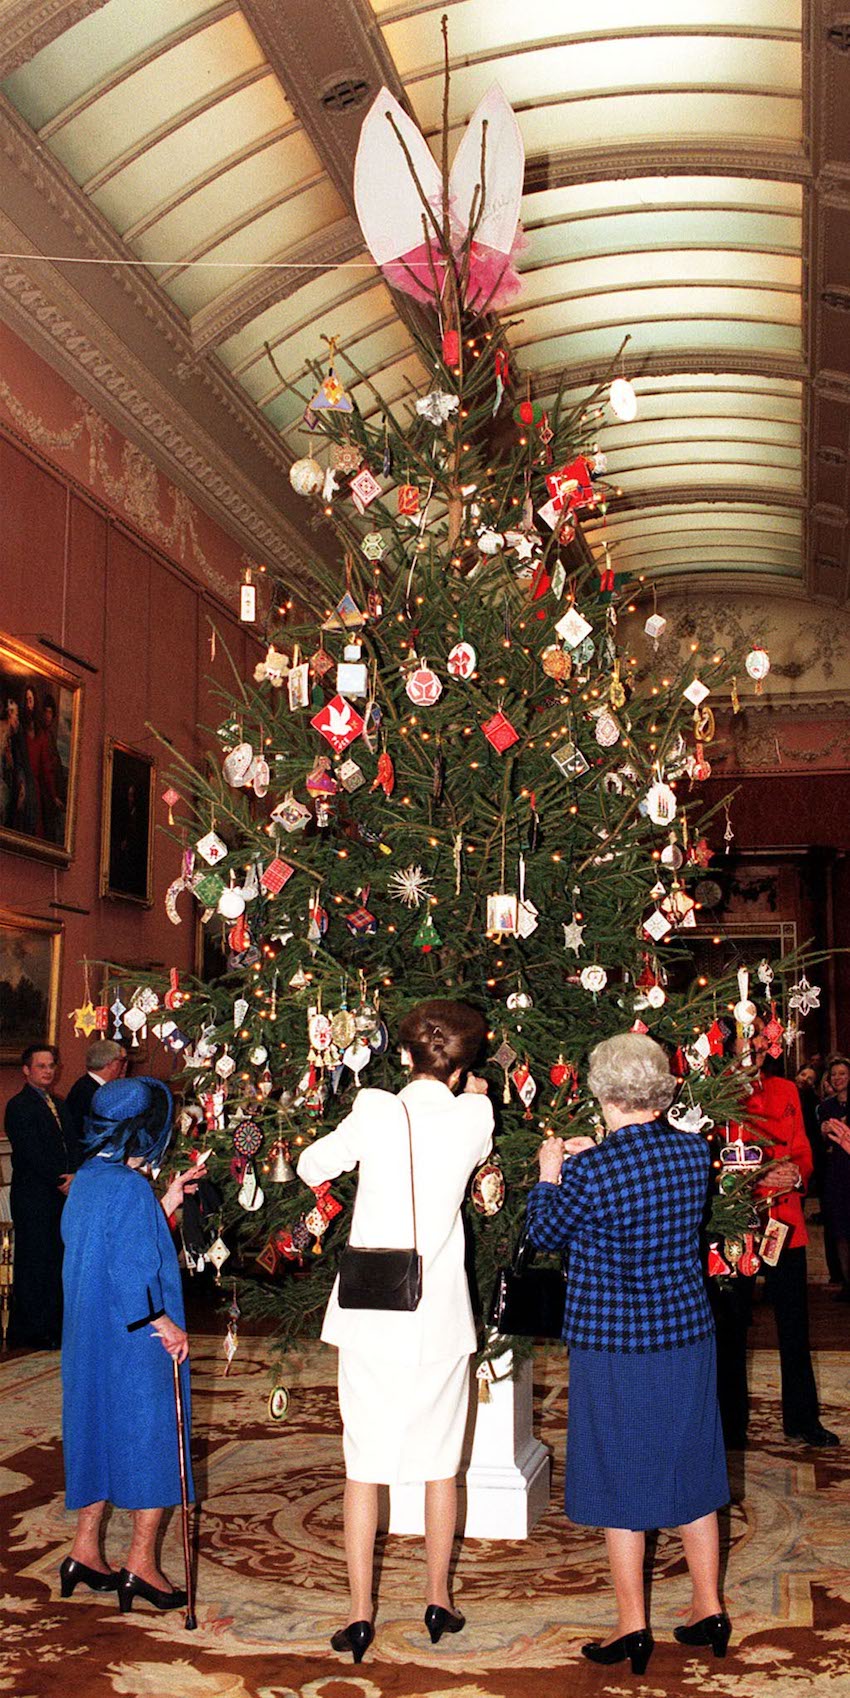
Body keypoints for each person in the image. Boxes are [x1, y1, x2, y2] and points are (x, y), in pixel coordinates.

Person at [525, 1032, 730, 1677]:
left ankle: (631, 1625)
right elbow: (636, 1182)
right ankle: (709, 1607)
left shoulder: (590, 1172)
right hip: (686, 1334)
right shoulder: (695, 1154)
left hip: (615, 1344)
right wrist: (593, 1159)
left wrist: (549, 1174)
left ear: (603, 1092)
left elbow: (544, 1232)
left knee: (619, 1476)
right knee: (691, 1464)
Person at [296, 999, 493, 1663]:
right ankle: (439, 1597)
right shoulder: (477, 1115)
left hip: (370, 1313)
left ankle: (358, 1614)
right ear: (464, 1064)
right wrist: (472, 1090)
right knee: (443, 1467)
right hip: (438, 1318)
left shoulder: (376, 1109)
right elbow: (473, 1118)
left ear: (404, 1054)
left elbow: (309, 1168)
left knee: (364, 1465)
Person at [59, 1076, 202, 1611]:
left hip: (90, 1336)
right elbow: (133, 1271)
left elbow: (109, 1241)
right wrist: (164, 1324)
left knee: (94, 1430)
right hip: (136, 1336)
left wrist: (162, 1199)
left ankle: (85, 1552)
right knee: (152, 1440)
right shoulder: (127, 1190)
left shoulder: (90, 1181)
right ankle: (141, 1565)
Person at [715, 1050, 839, 1449]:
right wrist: (761, 1174)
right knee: (730, 1328)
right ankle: (729, 1425)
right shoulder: (714, 1094)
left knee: (794, 1326)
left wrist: (798, 1171)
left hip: (785, 1224)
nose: (748, 1048)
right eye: (740, 1038)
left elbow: (803, 1149)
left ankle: (803, 1418)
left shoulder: (786, 1089)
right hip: (735, 1228)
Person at [5, 1044, 75, 1349]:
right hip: (34, 1195)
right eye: (41, 1066)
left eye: (51, 1066)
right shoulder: (19, 1106)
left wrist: (75, 1175)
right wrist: (58, 1179)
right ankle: (33, 1329)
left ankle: (55, 1325)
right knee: (35, 1261)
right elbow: (31, 1152)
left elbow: (71, 1143)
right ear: (27, 1070)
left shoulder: (58, 1103)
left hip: (62, 1193)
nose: (48, 1071)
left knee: (57, 1259)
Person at [816, 1056, 850, 1299]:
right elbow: (820, 1142)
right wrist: (824, 1132)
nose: (837, 1078)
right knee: (839, 1228)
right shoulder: (826, 1107)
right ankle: (847, 1281)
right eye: (834, 1074)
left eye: (843, 1074)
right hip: (836, 1170)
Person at [64, 1039, 127, 1169]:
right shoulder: (89, 1091)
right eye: (121, 1061)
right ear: (112, 1064)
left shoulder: (90, 1086)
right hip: (88, 1164)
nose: (123, 1066)